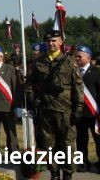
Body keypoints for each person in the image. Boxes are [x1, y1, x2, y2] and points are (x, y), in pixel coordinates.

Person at [24, 30, 83, 180]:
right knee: (48, 146)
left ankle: (68, 175)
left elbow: (78, 87)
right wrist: (31, 100)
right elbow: (28, 85)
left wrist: (78, 109)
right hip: (45, 112)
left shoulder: (70, 62)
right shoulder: (38, 63)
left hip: (66, 112)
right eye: (48, 41)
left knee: (68, 146)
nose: (51, 44)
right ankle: (54, 173)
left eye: (54, 41)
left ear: (61, 42)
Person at [74, 45, 100, 173]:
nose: (77, 58)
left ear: (88, 58)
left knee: (98, 140)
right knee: (81, 140)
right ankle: (83, 163)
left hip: (94, 113)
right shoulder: (74, 72)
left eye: (80, 56)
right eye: (76, 56)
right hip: (80, 114)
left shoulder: (97, 72)